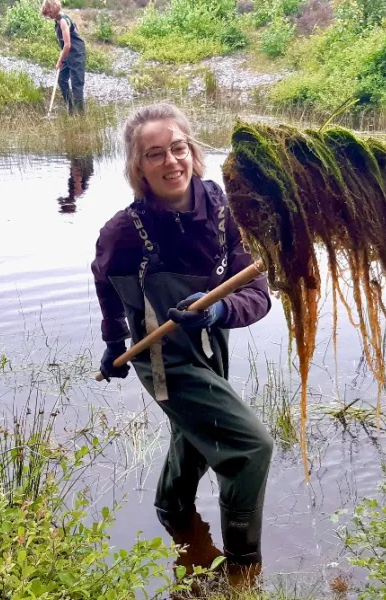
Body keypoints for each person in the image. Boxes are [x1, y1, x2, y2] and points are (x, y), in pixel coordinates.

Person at [91, 103, 273, 579]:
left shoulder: (224, 211)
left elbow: (257, 292)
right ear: (138, 168)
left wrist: (219, 310)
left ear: (193, 151)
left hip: (210, 344)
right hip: (162, 355)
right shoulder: (124, 230)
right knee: (250, 447)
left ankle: (173, 517)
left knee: (193, 440)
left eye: (178, 148)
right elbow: (104, 279)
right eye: (155, 155)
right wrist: (114, 344)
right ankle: (241, 565)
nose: (171, 162)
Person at [40, 0, 86, 114]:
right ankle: (71, 109)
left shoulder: (63, 22)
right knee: (61, 79)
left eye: (49, 13)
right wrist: (63, 58)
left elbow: (68, 45)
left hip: (76, 54)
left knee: (76, 84)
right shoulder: (57, 20)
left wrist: (60, 60)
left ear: (53, 10)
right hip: (67, 54)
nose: (48, 16)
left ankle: (80, 115)